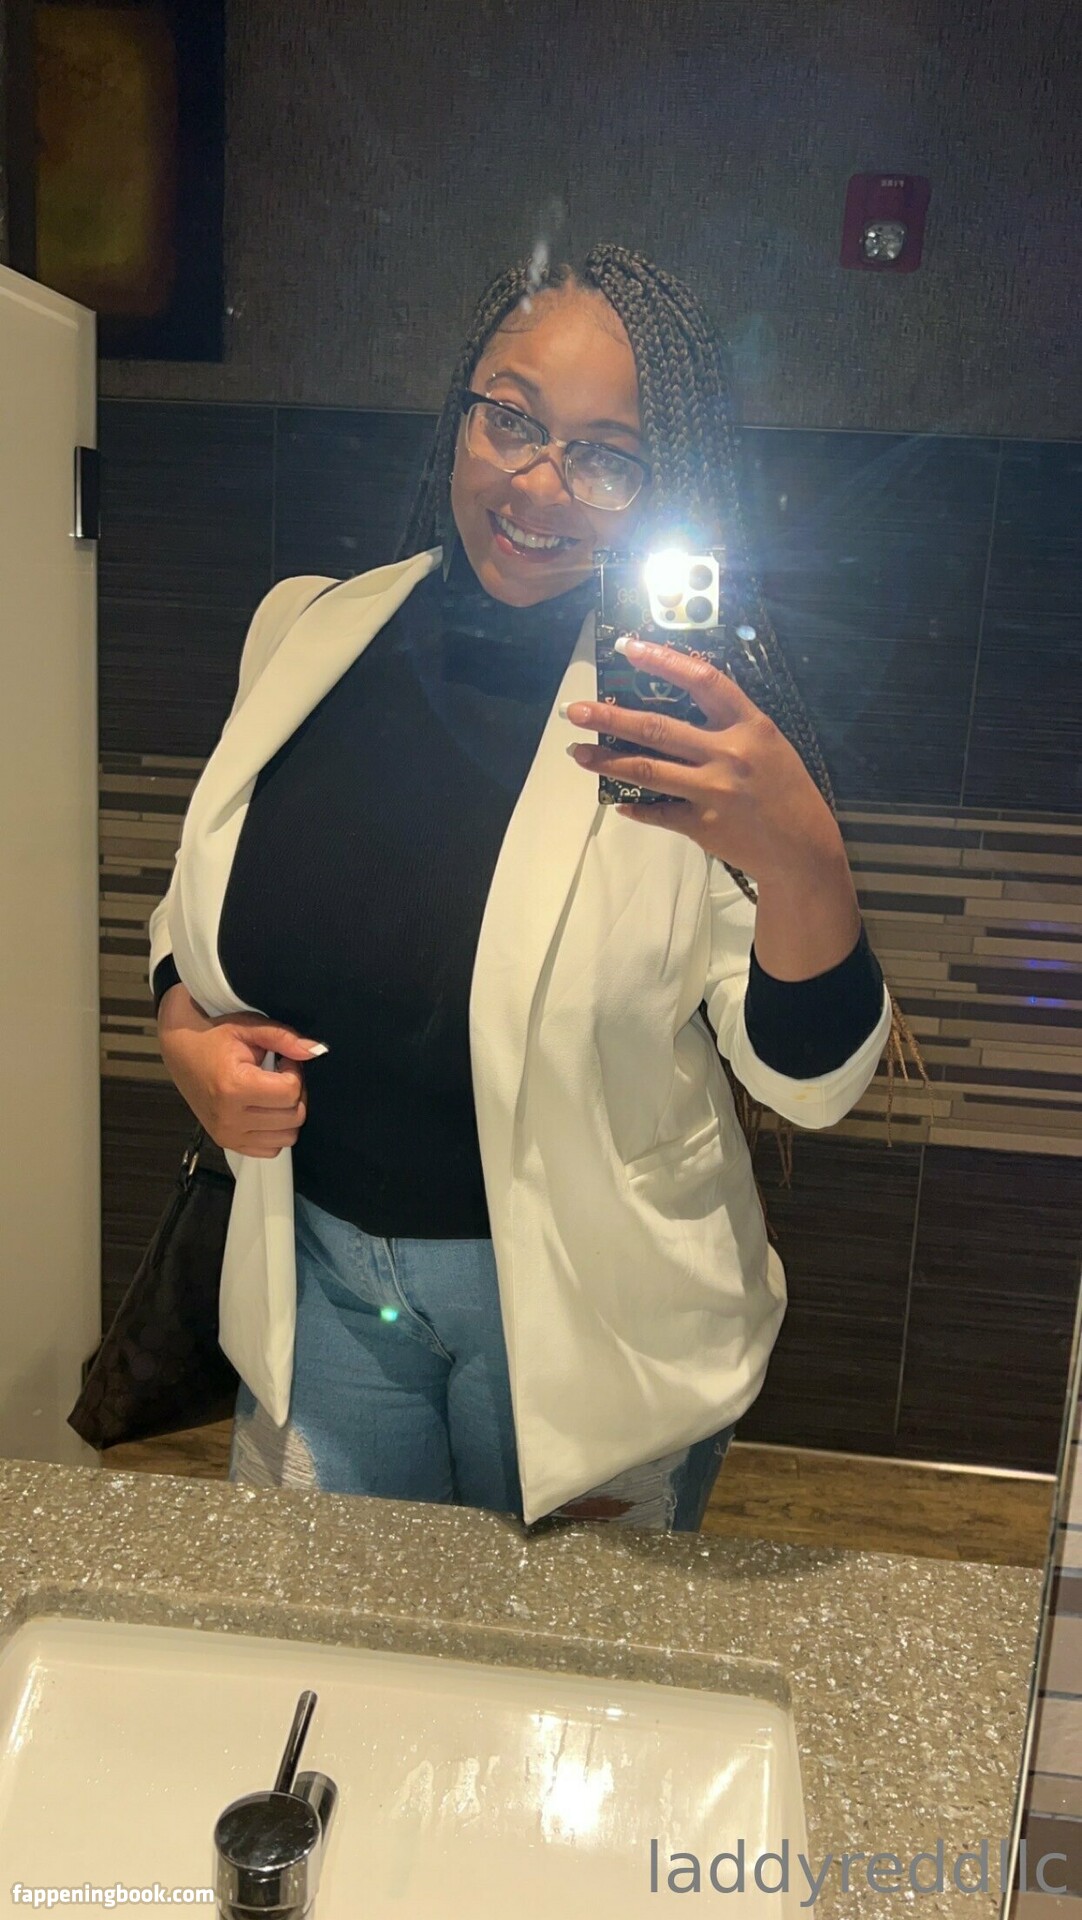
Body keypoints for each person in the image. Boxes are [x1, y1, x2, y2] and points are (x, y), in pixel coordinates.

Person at [149, 244, 924, 1533]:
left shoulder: (682, 717)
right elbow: (196, 916)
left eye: (606, 457)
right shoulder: (306, 630)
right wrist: (185, 1034)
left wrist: (803, 854)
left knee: (559, 1668)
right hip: (320, 1291)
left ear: (663, 484)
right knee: (335, 1641)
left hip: (588, 1326)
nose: (538, 484)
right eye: (510, 419)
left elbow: (808, 1082)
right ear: (463, 407)